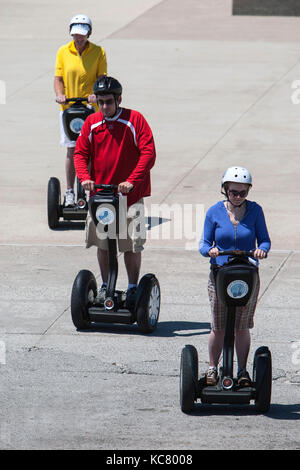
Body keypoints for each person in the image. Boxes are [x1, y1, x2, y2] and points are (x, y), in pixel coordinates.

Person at [73, 76, 156, 307]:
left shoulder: (135, 120)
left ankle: (132, 287)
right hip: (100, 197)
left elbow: (148, 153)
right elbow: (80, 154)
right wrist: (85, 178)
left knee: (130, 245)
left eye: (109, 101)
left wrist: (131, 180)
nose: (105, 107)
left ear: (119, 99)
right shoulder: (92, 122)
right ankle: (104, 287)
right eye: (100, 102)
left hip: (129, 197)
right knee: (102, 244)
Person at [199, 166, 271, 386]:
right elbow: (203, 243)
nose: (238, 197)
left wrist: (262, 250)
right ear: (225, 190)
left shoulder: (256, 211)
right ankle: (212, 368)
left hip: (247, 275)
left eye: (243, 192)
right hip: (220, 274)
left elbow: (265, 240)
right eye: (234, 192)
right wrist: (209, 251)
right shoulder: (214, 212)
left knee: (242, 326)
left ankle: (242, 371)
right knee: (218, 326)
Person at [54, 14, 107, 206]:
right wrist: (60, 94)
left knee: (90, 150)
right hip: (68, 109)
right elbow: (58, 79)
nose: (79, 38)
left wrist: (96, 95)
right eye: (76, 34)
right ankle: (69, 192)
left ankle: (89, 189)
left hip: (90, 109)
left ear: (89, 34)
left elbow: (101, 78)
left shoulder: (99, 52)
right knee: (71, 149)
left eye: (82, 35)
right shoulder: (63, 51)